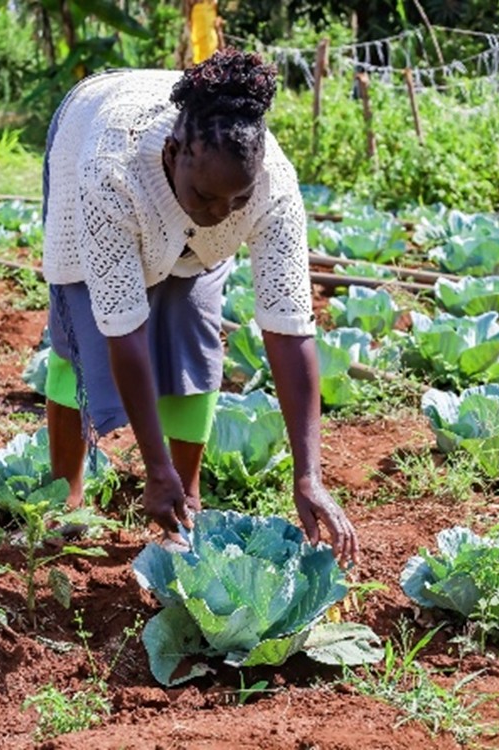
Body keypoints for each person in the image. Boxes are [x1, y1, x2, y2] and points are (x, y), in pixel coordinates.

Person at [41, 49, 359, 564]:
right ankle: (65, 497)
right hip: (90, 126)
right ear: (172, 154)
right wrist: (152, 464)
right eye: (206, 197)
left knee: (193, 336)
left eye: (236, 200)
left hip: (189, 222)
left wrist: (309, 475)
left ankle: (183, 499)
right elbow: (123, 331)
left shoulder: (272, 184)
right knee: (82, 335)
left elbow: (290, 326)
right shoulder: (110, 170)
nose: (220, 213)